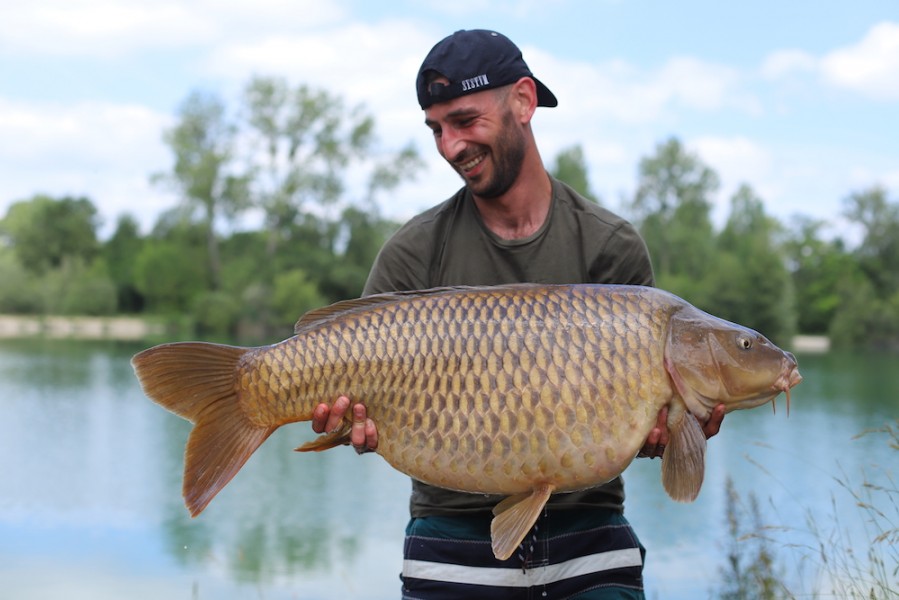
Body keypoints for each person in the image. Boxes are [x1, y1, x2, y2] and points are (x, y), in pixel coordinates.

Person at [312, 29, 725, 599]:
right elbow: (356, 411)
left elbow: (658, 431)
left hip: (590, 542)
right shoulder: (413, 252)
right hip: (448, 545)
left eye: (464, 121)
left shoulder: (609, 245)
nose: (450, 146)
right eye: (436, 129)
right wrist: (348, 423)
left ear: (524, 102)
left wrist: (667, 429)